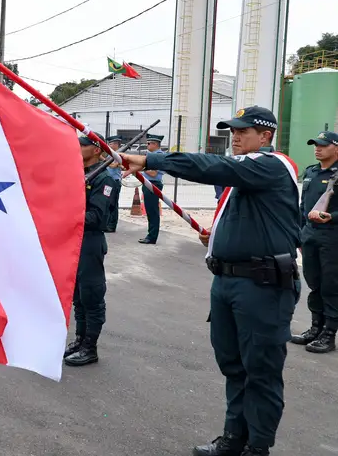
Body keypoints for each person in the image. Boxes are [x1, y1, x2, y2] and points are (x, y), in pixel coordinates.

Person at [121, 106, 300, 456]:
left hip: (261, 285)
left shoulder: (272, 164)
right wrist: (217, 237)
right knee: (233, 365)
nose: (235, 136)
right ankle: (234, 438)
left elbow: (212, 166)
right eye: (232, 130)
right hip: (229, 282)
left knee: (260, 370)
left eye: (243, 131)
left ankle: (257, 446)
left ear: (265, 136)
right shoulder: (243, 179)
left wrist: (151, 161)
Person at [65, 133, 114, 367]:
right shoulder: (78, 173)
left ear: (96, 150)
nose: (78, 147)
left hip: (90, 242)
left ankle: (90, 347)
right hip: (73, 241)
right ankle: (80, 338)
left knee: (91, 295)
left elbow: (97, 217)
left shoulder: (104, 179)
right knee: (77, 296)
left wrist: (65, 214)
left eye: (83, 145)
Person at [291, 130, 338, 354]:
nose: (317, 148)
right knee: (315, 283)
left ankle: (329, 334)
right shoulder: (311, 172)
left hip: (333, 237)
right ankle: (315, 328)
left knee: (331, 286)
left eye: (323, 145)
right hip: (310, 236)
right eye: (315, 145)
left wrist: (333, 217)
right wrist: (301, 232)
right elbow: (303, 206)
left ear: (336, 148)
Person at [139, 134, 164, 244]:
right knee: (150, 210)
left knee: (153, 211)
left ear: (155, 144)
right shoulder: (151, 155)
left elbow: (153, 173)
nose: (147, 145)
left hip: (153, 184)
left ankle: (152, 237)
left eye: (148, 143)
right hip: (148, 184)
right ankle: (150, 235)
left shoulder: (158, 156)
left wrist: (141, 167)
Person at [104, 135, 123, 233]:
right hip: (109, 181)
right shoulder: (109, 155)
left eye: (112, 143)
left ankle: (112, 225)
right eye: (109, 143)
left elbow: (113, 165)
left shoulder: (118, 154)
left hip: (115, 181)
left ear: (116, 144)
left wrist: (102, 160)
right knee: (108, 203)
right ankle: (107, 223)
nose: (110, 145)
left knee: (113, 203)